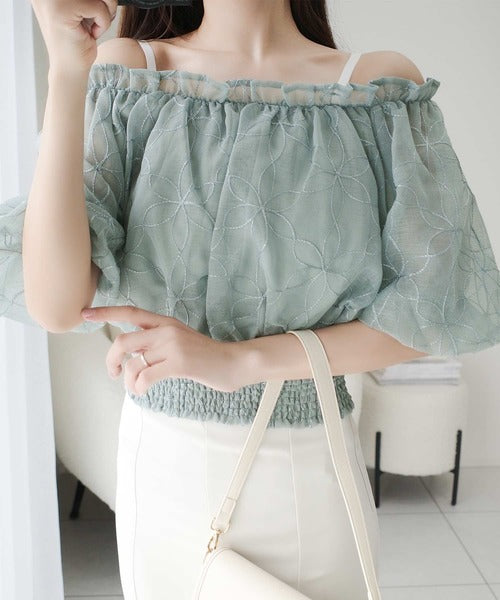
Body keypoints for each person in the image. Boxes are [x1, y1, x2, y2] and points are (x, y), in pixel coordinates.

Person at [2, 0, 500, 598]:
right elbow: (57, 305)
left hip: (305, 480)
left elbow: (434, 312)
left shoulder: (376, 89)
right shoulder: (128, 73)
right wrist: (66, 70)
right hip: (160, 479)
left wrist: (239, 361)